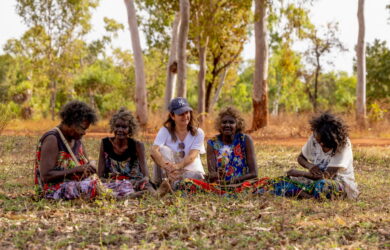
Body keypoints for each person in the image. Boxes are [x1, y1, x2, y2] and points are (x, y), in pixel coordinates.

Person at [255, 112, 359, 200]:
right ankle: (304, 194)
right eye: (319, 141)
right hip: (313, 180)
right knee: (281, 181)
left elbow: (327, 176)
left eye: (323, 143)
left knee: (323, 186)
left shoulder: (343, 144)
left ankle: (301, 194)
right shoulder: (315, 137)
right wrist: (310, 166)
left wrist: (299, 173)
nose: (320, 145)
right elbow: (301, 158)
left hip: (338, 184)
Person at [175, 107, 263, 196]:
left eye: (231, 122)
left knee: (272, 183)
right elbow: (212, 172)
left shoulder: (245, 139)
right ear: (219, 125)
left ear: (238, 124)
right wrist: (215, 176)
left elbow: (254, 173)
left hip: (243, 184)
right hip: (220, 187)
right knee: (185, 184)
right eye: (224, 122)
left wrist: (233, 181)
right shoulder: (212, 143)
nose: (227, 125)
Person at [97, 108, 171, 198]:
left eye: (124, 127)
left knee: (146, 184)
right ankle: (131, 195)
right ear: (113, 127)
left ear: (130, 129)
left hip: (135, 183)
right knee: (102, 187)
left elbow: (146, 175)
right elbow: (100, 176)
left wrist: (141, 181)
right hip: (114, 183)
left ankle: (155, 195)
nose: (120, 130)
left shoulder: (137, 145)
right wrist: (122, 183)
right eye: (117, 126)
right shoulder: (105, 144)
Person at [34, 100, 99, 199]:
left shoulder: (77, 140)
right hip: (53, 190)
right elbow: (46, 176)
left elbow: (85, 165)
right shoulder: (52, 139)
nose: (84, 133)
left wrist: (91, 166)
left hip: (76, 186)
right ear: (71, 122)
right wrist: (76, 170)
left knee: (119, 185)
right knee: (87, 187)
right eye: (82, 128)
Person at [151, 97, 205, 187]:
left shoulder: (198, 133)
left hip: (190, 172)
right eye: (181, 114)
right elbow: (153, 151)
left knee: (196, 176)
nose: (185, 116)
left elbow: (192, 156)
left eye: (187, 112)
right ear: (172, 116)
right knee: (163, 149)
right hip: (169, 172)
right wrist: (166, 167)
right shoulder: (165, 131)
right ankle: (170, 182)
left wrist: (177, 167)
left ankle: (173, 183)